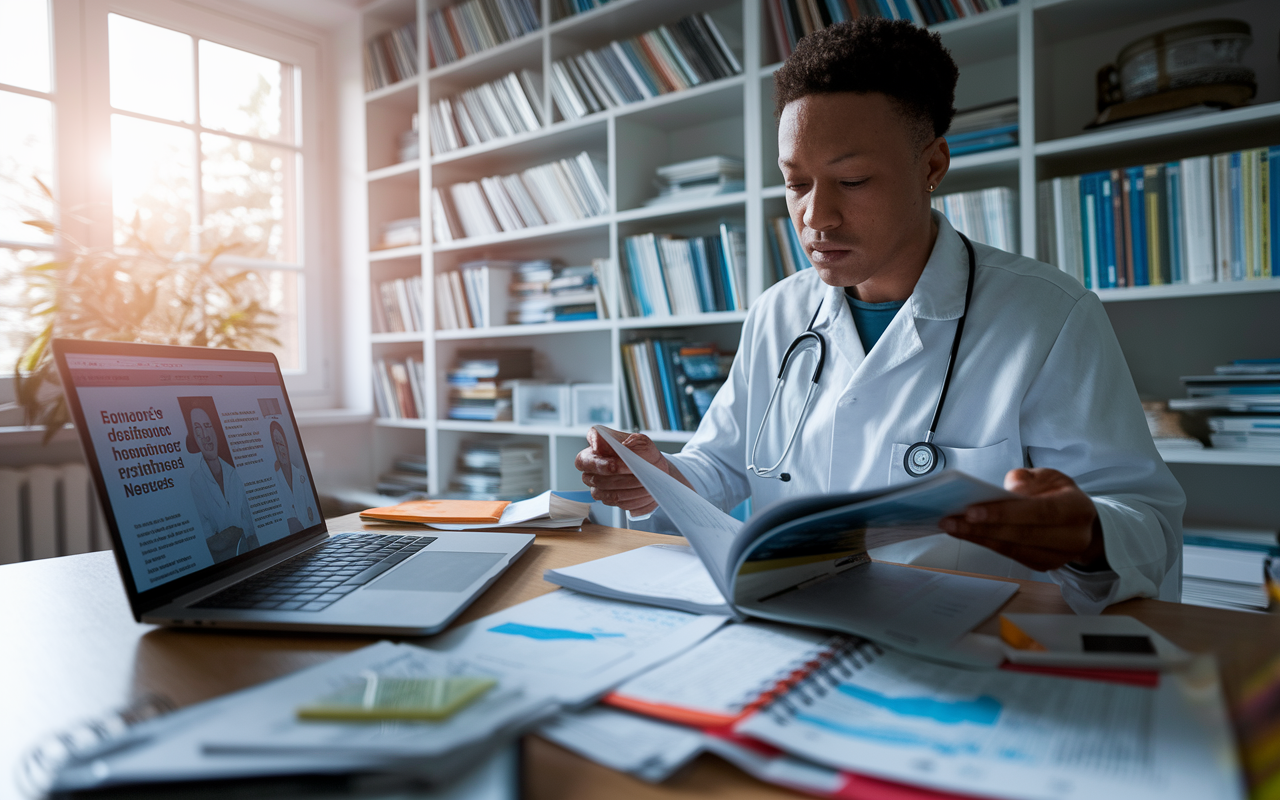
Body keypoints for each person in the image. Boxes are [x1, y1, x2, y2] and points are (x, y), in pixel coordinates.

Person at [575, 19, 1184, 614]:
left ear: (932, 166)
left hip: (963, 644)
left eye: (852, 179)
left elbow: (1144, 520)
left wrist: (1085, 534)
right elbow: (723, 464)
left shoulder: (1047, 315)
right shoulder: (777, 312)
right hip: (787, 626)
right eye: (796, 183)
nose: (817, 217)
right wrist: (655, 477)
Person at [181, 399, 258, 563]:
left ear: (215, 429)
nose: (205, 435)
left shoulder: (236, 473)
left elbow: (253, 529)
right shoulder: (195, 483)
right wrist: (235, 534)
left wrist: (232, 536)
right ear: (194, 438)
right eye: (198, 430)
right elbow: (208, 543)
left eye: (208, 426)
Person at [269, 420, 318, 535]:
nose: (281, 450)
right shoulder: (273, 481)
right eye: (277, 445)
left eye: (282, 444)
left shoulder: (301, 476)